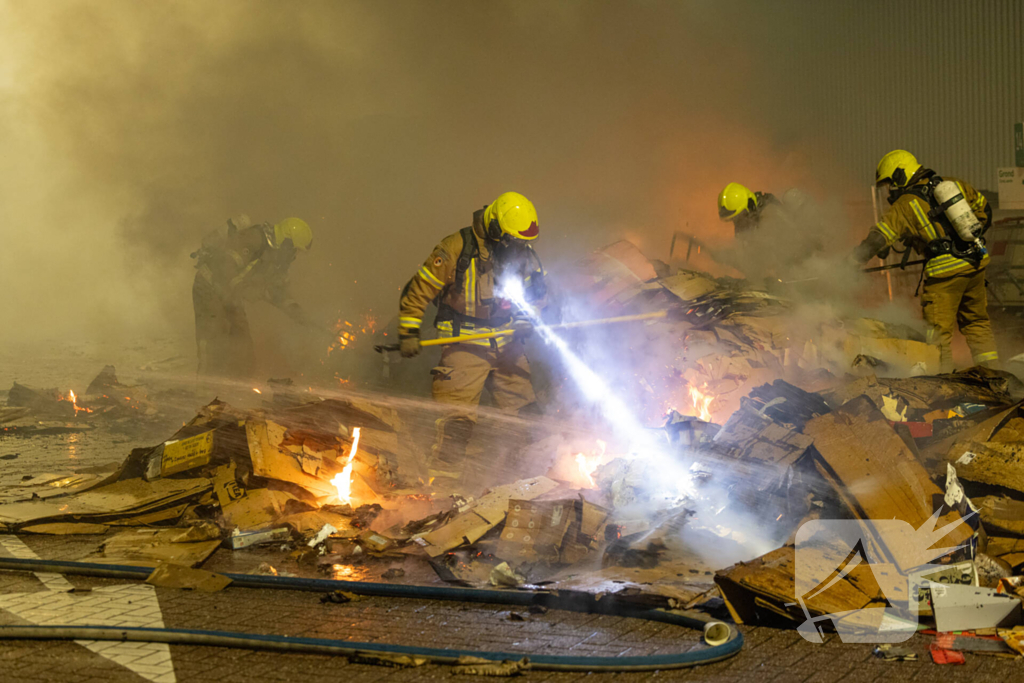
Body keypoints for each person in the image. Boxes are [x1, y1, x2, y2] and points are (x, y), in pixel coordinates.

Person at [398, 191, 545, 488]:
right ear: (494, 229)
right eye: (511, 242)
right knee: (456, 427)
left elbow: (537, 294)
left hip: (507, 343)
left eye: (520, 243)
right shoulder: (456, 247)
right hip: (463, 345)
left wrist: (527, 319)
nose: (517, 249)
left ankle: (533, 484)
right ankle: (440, 495)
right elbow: (419, 289)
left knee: (528, 419)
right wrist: (408, 330)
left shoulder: (522, 252)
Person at [852, 150, 997, 371]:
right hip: (975, 264)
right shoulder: (954, 184)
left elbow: (877, 239)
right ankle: (994, 377)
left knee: (937, 335)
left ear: (900, 176)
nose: (890, 191)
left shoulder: (904, 205)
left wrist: (851, 263)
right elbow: (985, 209)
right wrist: (963, 242)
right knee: (977, 323)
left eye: (891, 183)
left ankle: (944, 385)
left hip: (944, 276)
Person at [191, 215, 318, 380]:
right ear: (287, 242)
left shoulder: (276, 258)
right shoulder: (254, 239)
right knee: (212, 343)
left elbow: (277, 292)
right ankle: (204, 394)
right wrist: (245, 289)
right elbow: (226, 266)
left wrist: (299, 315)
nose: (295, 255)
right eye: (296, 250)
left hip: (231, 297)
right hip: (209, 288)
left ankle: (234, 396)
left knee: (244, 353)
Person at [717, 182, 782, 236]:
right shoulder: (747, 225)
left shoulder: (771, 214)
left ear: (750, 206)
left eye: (739, 216)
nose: (738, 222)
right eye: (734, 219)